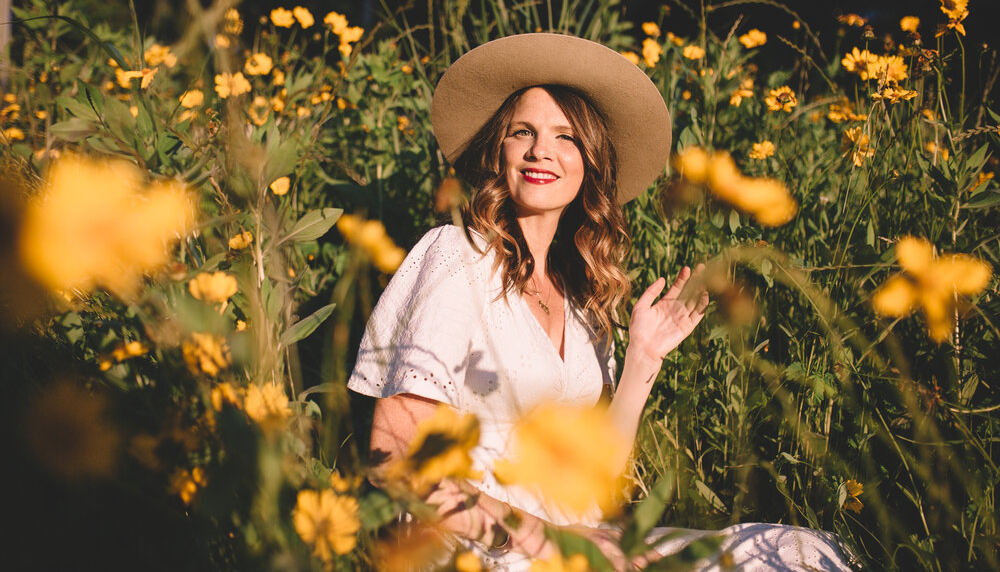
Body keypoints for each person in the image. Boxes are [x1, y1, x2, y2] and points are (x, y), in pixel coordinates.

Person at [348, 33, 852, 570]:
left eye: (565, 137)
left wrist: (643, 357)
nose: (541, 151)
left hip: (579, 539)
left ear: (590, 161)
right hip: (481, 547)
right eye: (524, 132)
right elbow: (396, 459)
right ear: (500, 148)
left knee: (801, 552)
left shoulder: (581, 296)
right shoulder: (459, 255)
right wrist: (550, 541)